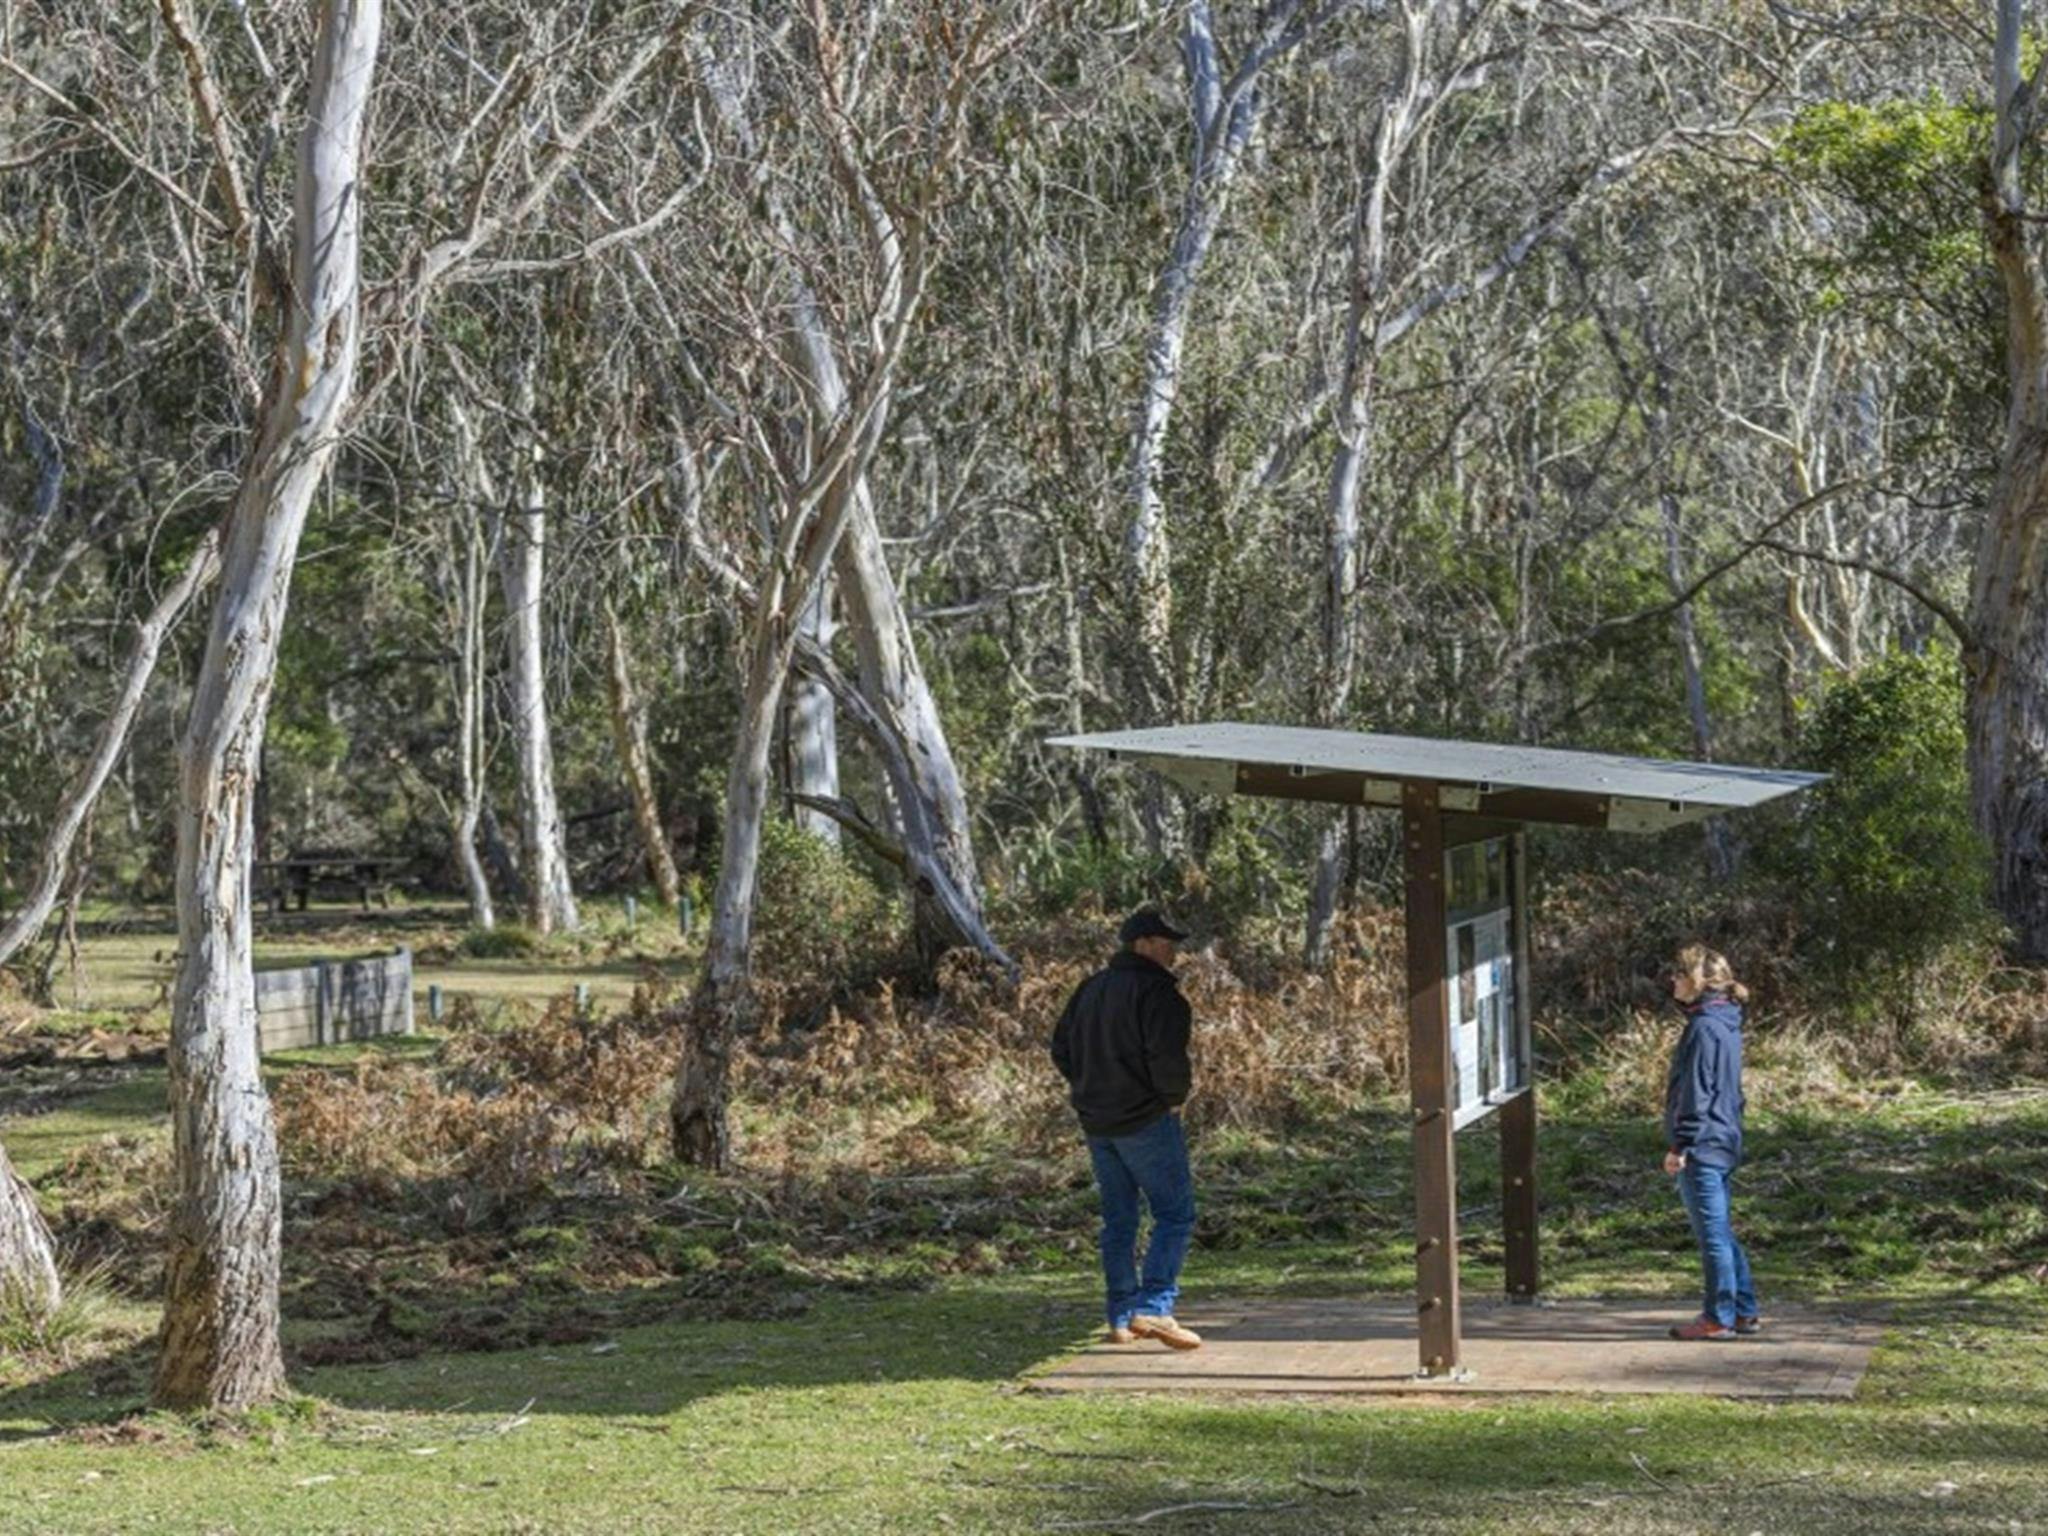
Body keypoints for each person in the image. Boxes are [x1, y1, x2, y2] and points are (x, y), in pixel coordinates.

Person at [1050, 908, 1201, 1350]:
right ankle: (1154, 1309)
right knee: (1175, 1214)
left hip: (1098, 1122)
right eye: (1166, 941)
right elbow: (1167, 1059)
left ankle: (1120, 1316)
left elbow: (1061, 1048)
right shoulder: (1159, 994)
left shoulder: (1090, 989)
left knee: (1119, 1219)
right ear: (1142, 944)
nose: (1174, 950)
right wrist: (1172, 1098)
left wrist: (1088, 1087)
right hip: (1146, 1120)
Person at [1662, 943, 1761, 1342]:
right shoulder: (1725, 1020)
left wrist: (1680, 1145)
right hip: (1724, 1137)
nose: (1673, 980)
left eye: (1678, 973)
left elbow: (1697, 1092)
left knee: (1713, 1236)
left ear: (1696, 980)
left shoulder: (1703, 1028)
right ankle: (1743, 1309)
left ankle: (1718, 1316)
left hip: (1702, 1143)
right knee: (1720, 1229)